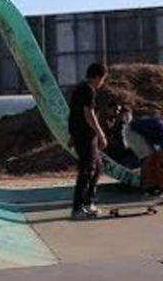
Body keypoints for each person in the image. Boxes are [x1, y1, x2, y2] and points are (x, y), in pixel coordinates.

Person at [68, 62, 109, 220]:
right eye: (103, 79)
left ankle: (88, 203)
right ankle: (77, 208)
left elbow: (73, 114)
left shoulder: (79, 88)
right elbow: (88, 114)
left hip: (81, 135)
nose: (102, 83)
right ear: (98, 77)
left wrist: (72, 134)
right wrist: (101, 134)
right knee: (87, 170)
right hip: (85, 136)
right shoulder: (88, 90)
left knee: (97, 167)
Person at [121, 110, 163, 194]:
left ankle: (153, 183)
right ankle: (148, 186)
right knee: (149, 157)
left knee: (153, 157)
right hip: (132, 131)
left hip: (139, 132)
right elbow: (160, 162)